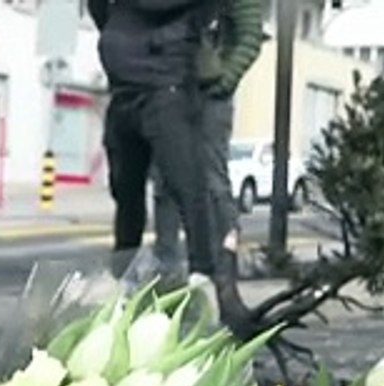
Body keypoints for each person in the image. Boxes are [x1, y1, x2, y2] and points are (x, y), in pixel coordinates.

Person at [90, 0, 234, 296]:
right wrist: (118, 29)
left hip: (167, 84)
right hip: (124, 86)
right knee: (126, 192)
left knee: (187, 187)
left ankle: (202, 275)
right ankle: (123, 277)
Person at [150, 0, 265, 280]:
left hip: (209, 94)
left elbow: (250, 37)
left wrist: (224, 81)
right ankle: (167, 274)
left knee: (211, 180)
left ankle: (220, 274)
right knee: (165, 182)